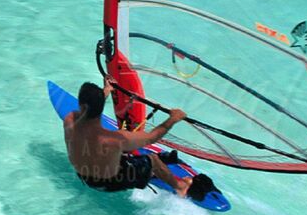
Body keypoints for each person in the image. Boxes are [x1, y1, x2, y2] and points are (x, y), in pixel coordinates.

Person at [63, 76, 214, 198]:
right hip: (112, 182)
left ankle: (136, 167)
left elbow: (88, 109)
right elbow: (152, 138)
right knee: (153, 160)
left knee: (113, 152)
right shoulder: (116, 139)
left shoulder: (69, 121)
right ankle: (180, 187)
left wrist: (106, 90)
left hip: (85, 177)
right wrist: (173, 119)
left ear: (82, 105)